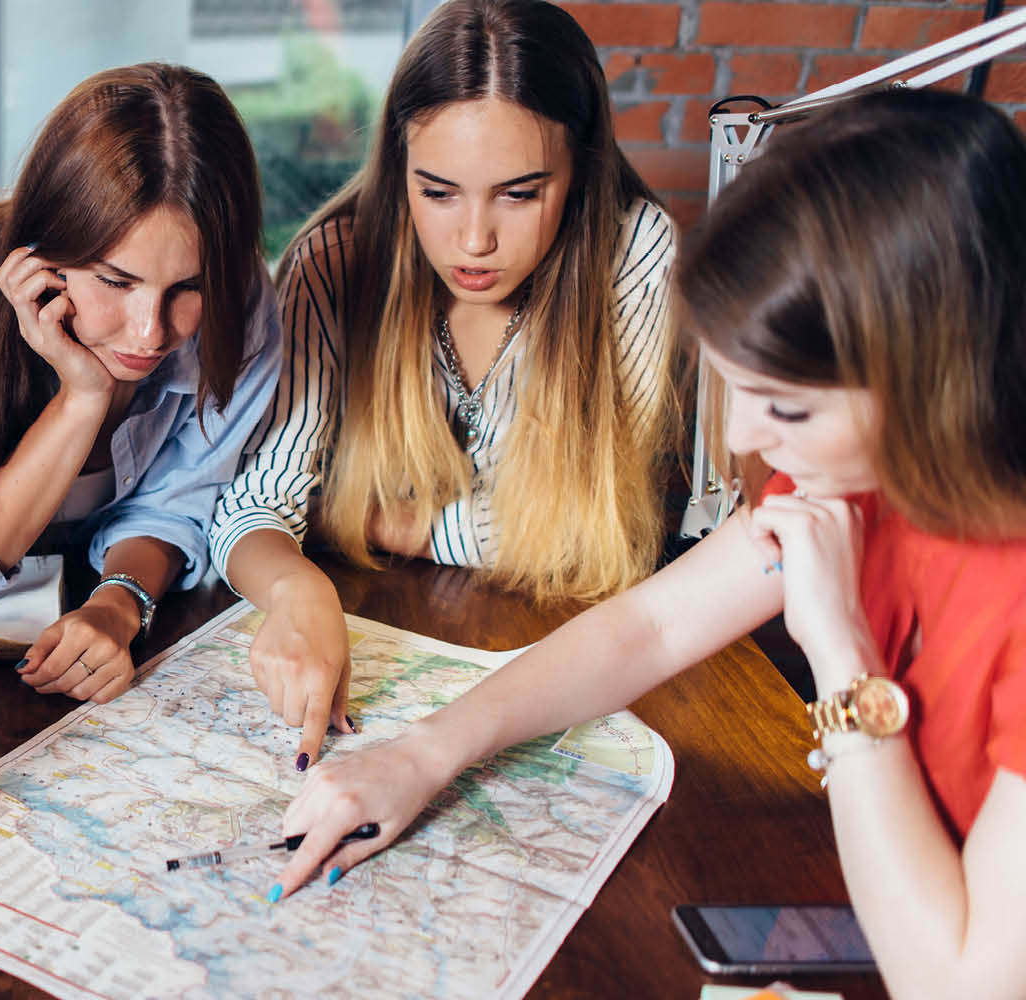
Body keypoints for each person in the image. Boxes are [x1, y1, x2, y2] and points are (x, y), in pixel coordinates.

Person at [272, 89, 1026, 995]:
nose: (748, 433)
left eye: (784, 405)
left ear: (932, 377)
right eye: (735, 385)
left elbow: (959, 984)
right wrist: (423, 753)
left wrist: (844, 662)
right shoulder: (859, 468)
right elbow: (650, 630)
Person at [210, 0, 681, 770]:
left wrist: (392, 525)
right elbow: (253, 505)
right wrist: (301, 591)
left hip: (561, 672)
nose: (473, 241)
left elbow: (594, 532)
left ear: (582, 170)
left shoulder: (632, 251)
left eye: (519, 193)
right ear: (399, 169)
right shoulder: (333, 260)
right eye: (438, 192)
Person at [0, 63, 281, 705]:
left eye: (187, 287)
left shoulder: (240, 301)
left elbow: (179, 501)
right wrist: (82, 397)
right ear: (43, 249)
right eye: (115, 281)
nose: (148, 334)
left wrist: (117, 605)